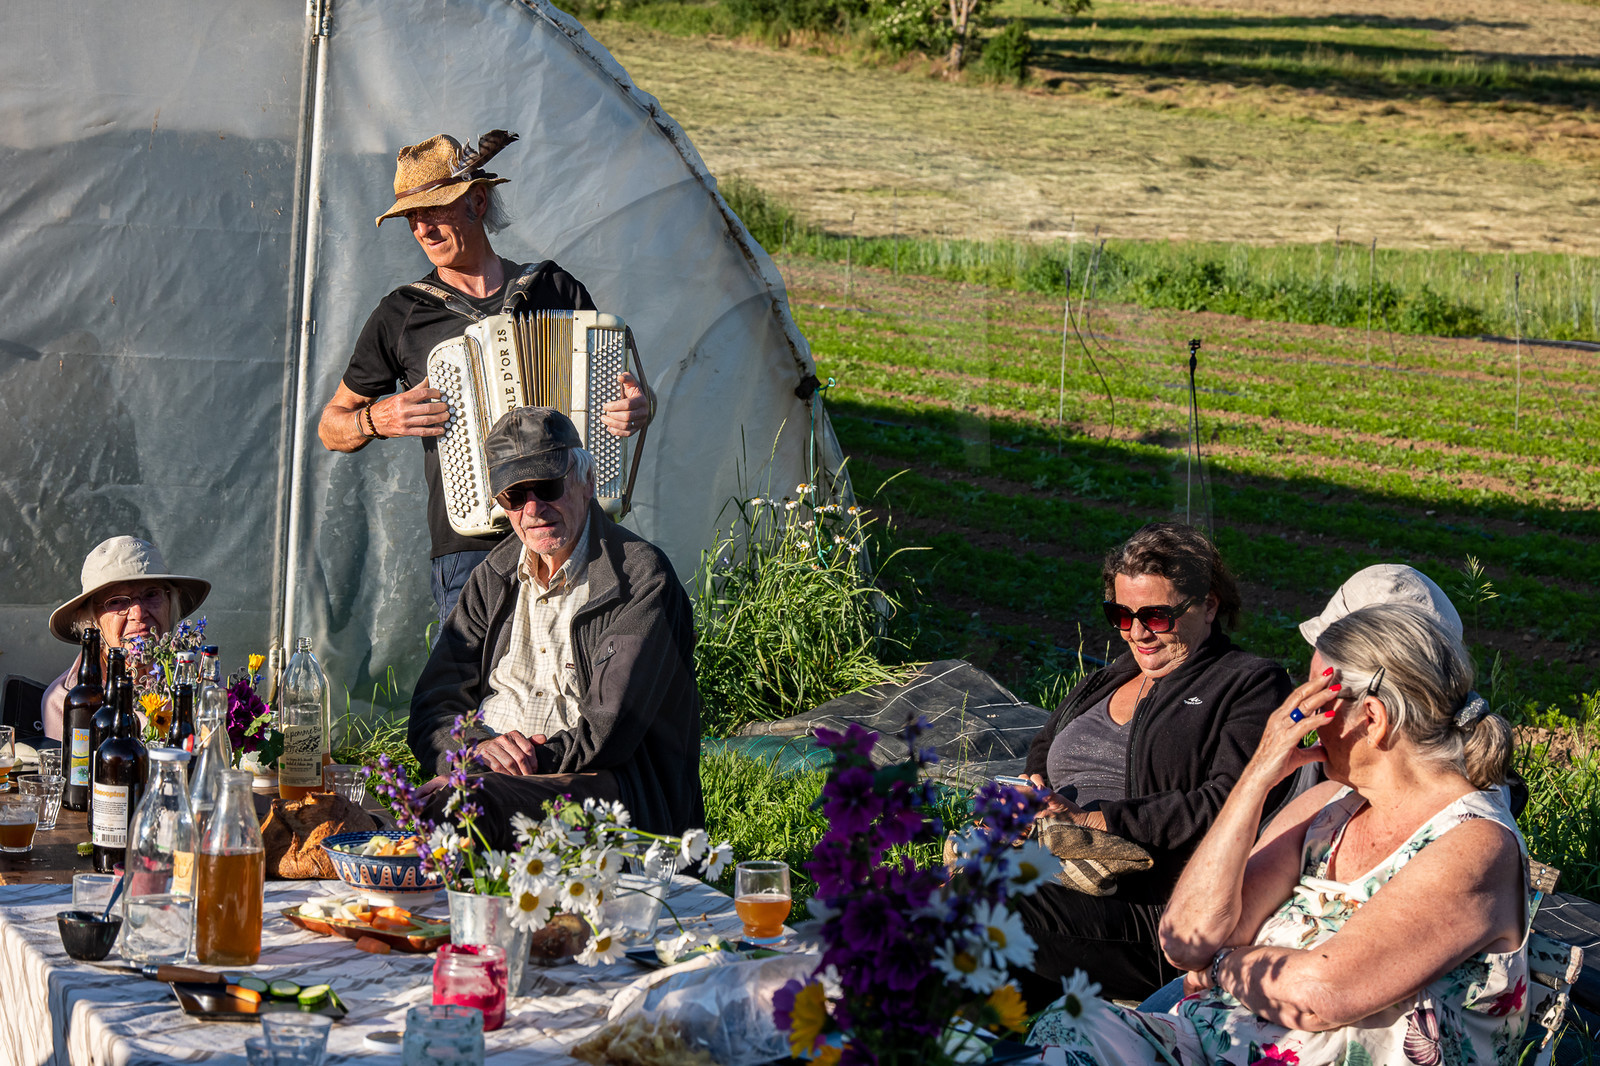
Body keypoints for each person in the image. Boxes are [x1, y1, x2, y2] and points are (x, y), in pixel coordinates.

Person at [1028, 603, 1527, 1065]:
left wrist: (1223, 968)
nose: (1303, 726)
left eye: (1314, 704)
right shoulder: (1329, 807)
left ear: (1372, 720)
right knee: (1070, 1026)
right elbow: (1186, 939)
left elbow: (1321, 994)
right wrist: (1255, 777)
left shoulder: (1473, 843)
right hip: (1209, 1044)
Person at [317, 129, 653, 623]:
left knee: (584, 682)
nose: (422, 230)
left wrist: (637, 409)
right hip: (472, 545)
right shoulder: (402, 313)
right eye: (412, 218)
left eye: (434, 211)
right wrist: (375, 418)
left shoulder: (554, 287)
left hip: (568, 526)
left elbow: (626, 399)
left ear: (477, 201)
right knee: (472, 693)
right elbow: (331, 425)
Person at [1014, 523, 1294, 1004]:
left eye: (1157, 616)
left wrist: (1091, 821)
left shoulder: (1248, 683)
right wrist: (1030, 791)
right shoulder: (1112, 676)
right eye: (1121, 615)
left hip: (1150, 908)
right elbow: (1044, 746)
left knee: (983, 913)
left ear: (1209, 605)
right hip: (1053, 866)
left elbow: (1228, 802)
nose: (1138, 633)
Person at [407, 406, 702, 846]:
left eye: (546, 486)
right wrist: (470, 750)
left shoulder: (639, 577)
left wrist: (498, 770)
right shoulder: (494, 574)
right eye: (513, 495)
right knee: (360, 811)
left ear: (586, 482)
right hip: (488, 776)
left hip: (601, 783)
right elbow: (433, 705)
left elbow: (609, 730)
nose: (533, 509)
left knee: (461, 814)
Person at [42, 536, 210, 741]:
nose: (138, 613)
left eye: (151, 595)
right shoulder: (67, 699)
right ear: (92, 621)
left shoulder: (199, 688)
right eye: (117, 602)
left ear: (170, 604)